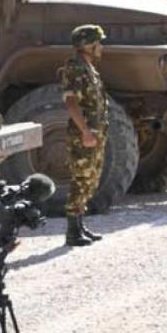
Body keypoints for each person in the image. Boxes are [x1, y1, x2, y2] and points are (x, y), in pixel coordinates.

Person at [61, 24, 108, 247]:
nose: (101, 47)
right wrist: (85, 132)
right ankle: (72, 232)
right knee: (80, 180)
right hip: (83, 135)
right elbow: (71, 103)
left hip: (95, 134)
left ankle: (80, 225)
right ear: (87, 45)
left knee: (90, 180)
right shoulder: (75, 67)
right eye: (98, 43)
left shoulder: (90, 68)